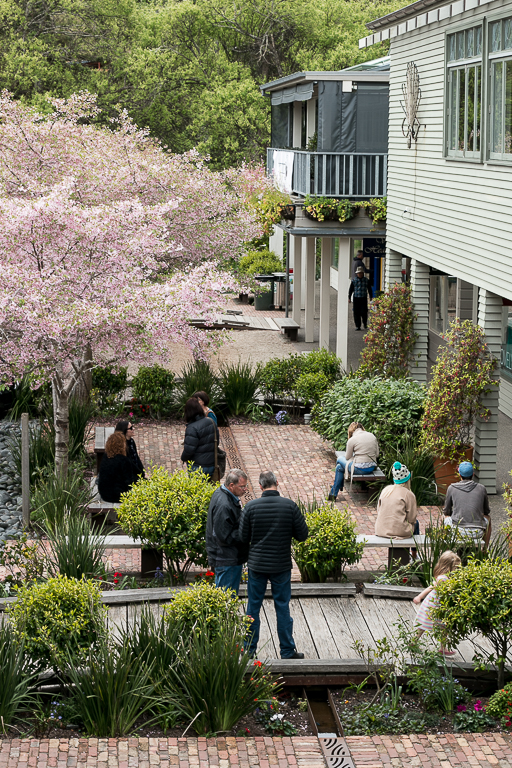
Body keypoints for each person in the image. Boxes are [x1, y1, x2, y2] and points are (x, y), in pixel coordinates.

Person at [239, 470, 308, 659]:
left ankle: (249, 651)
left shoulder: (250, 507)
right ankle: (287, 650)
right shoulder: (290, 506)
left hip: (257, 565)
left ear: (260, 486)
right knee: (282, 607)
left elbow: (242, 537)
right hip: (281, 565)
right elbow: (302, 535)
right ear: (277, 483)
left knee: (253, 607)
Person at [206, 468, 249, 594]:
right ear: (231, 485)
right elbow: (224, 536)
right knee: (227, 597)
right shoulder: (224, 505)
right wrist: (245, 531)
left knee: (224, 595)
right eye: (242, 486)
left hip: (226, 557)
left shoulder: (223, 494)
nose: (245, 489)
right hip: (227, 558)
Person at [413, 550, 461, 657]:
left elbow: (431, 587)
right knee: (443, 626)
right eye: (456, 568)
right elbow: (443, 591)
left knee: (425, 625)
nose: (457, 570)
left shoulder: (442, 577)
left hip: (434, 604)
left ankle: (414, 642)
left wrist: (420, 596)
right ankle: (442, 648)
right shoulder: (443, 579)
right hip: (436, 605)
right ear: (449, 567)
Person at [443, 461, 491, 548]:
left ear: (459, 474)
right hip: (477, 532)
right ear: (473, 474)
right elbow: (486, 511)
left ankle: (447, 549)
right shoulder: (482, 488)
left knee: (444, 517)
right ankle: (484, 550)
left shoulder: (451, 488)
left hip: (457, 531)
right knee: (488, 518)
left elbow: (446, 511)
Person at [328, 422, 379, 501]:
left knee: (339, 459)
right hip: (371, 467)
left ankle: (337, 488)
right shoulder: (372, 436)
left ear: (351, 431)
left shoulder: (352, 439)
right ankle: (334, 491)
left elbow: (347, 457)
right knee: (339, 467)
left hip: (359, 469)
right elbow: (377, 454)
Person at [375, 462, 419, 538]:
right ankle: (415, 546)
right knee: (416, 523)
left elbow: (379, 510)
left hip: (380, 530)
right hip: (400, 532)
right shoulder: (408, 494)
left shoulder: (386, 490)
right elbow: (412, 519)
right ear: (408, 479)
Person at [181, 397, 217, 479]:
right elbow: (216, 441)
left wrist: (183, 458)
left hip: (197, 466)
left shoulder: (192, 428)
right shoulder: (211, 421)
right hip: (211, 465)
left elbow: (189, 449)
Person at [98, 431, 138, 503]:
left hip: (104, 494)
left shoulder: (105, 457)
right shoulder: (124, 460)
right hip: (119, 496)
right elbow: (129, 482)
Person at [348, 265, 373, 330]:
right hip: (356, 298)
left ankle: (365, 324)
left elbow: (369, 289)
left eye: (361, 273)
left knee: (364, 312)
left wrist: (371, 296)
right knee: (356, 312)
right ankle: (358, 325)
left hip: (363, 298)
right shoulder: (354, 280)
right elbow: (351, 289)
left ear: (363, 273)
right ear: (357, 274)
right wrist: (349, 297)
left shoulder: (366, 280)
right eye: (359, 273)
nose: (360, 274)